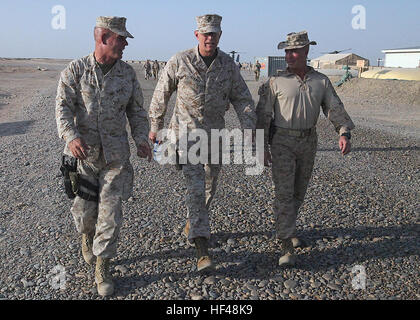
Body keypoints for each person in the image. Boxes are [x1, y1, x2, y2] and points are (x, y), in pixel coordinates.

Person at [148, 14, 256, 272]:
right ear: (196, 35)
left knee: (210, 185)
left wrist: (250, 129)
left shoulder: (229, 66)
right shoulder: (180, 61)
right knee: (196, 189)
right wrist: (155, 125)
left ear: (220, 35)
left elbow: (242, 99)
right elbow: (161, 93)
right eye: (205, 33)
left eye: (214, 34)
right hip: (186, 137)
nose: (210, 38)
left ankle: (194, 221)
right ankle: (202, 248)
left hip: (216, 137)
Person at [55, 16, 151, 296]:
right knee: (85, 215)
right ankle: (86, 237)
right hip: (83, 157)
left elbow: (136, 111)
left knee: (110, 215)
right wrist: (70, 136)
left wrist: (141, 138)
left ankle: (103, 266)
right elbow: (62, 108)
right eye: (121, 38)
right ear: (103, 38)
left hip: (115, 157)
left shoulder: (128, 74)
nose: (125, 44)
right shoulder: (76, 70)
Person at [256, 31, 355, 267]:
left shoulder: (320, 81)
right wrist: (261, 147)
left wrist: (344, 132)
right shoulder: (275, 81)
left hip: (308, 142)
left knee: (299, 191)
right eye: (287, 51)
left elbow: (334, 108)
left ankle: (287, 228)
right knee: (284, 193)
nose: (289, 55)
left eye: (294, 51)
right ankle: (286, 244)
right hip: (281, 142)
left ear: (306, 52)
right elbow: (263, 116)